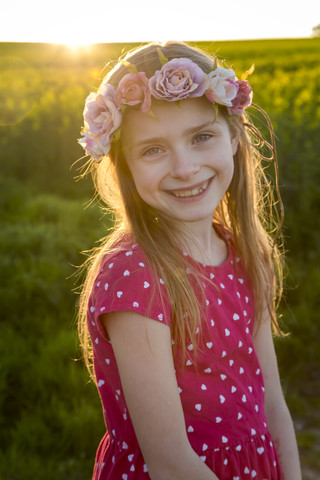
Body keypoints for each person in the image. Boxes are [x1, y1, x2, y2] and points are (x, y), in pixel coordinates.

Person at [77, 41, 302, 480]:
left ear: (234, 137)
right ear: (125, 165)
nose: (185, 168)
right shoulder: (135, 277)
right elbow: (170, 463)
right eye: (153, 150)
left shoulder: (245, 253)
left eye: (201, 137)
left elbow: (272, 403)